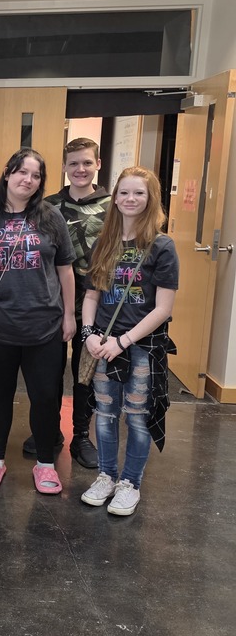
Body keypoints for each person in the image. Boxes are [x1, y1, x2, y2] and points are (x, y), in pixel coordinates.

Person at [0, 149, 76, 495]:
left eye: (36, 175)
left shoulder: (51, 218)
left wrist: (69, 315)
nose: (28, 180)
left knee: (45, 397)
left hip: (46, 328)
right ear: (7, 174)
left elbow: (65, 270)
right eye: (22, 172)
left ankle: (46, 465)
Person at [80, 166, 179, 516]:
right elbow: (91, 296)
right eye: (124, 193)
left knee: (137, 417)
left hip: (140, 346)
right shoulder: (102, 243)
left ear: (151, 198)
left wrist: (122, 341)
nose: (130, 199)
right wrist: (89, 334)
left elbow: (163, 308)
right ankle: (106, 476)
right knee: (104, 413)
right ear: (115, 197)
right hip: (102, 343)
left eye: (139, 193)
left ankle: (129, 483)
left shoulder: (162, 246)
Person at [22, 136, 111, 467]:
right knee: (49, 372)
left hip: (96, 301)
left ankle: (81, 435)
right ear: (64, 167)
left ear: (98, 164)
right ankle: (49, 431)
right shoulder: (47, 206)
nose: (80, 169)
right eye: (73, 163)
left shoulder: (113, 206)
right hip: (53, 302)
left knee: (85, 371)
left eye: (87, 162)